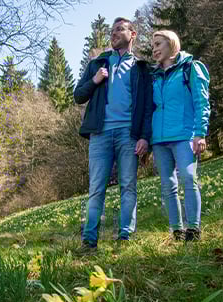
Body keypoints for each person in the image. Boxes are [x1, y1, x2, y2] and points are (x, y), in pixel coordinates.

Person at [73, 17, 153, 253]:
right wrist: (95, 80)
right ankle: (89, 240)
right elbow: (78, 95)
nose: (114, 34)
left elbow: (147, 106)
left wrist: (144, 137)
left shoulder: (141, 68)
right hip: (100, 134)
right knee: (96, 188)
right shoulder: (98, 63)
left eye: (120, 29)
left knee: (128, 186)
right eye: (112, 31)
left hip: (129, 134)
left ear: (133, 34)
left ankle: (125, 236)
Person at [149, 30, 210, 241]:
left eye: (158, 44)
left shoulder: (190, 68)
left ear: (172, 44)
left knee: (189, 178)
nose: (154, 49)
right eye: (153, 46)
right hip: (159, 139)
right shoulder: (153, 76)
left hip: (184, 135)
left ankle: (193, 228)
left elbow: (201, 102)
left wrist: (200, 133)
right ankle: (177, 231)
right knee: (168, 185)